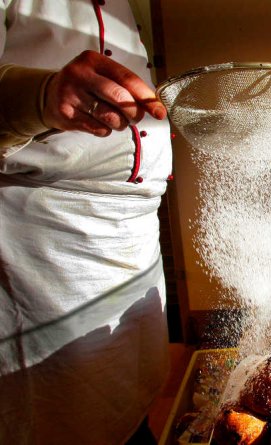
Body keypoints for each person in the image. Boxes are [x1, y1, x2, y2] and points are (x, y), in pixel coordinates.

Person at [0, 1, 173, 444]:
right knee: (65, 417)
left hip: (131, 238)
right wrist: (43, 96)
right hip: (50, 247)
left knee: (131, 400)